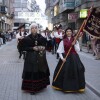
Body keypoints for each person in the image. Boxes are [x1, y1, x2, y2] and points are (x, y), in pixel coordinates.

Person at [19, 23, 50, 94]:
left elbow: (46, 45)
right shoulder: (27, 38)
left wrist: (43, 47)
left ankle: (40, 86)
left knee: (40, 70)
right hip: (30, 57)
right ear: (30, 29)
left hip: (40, 57)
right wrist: (32, 48)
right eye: (32, 28)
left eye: (35, 28)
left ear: (37, 29)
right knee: (32, 71)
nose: (34, 29)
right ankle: (32, 88)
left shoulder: (41, 37)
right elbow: (23, 48)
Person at [52, 27, 85, 93]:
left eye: (70, 31)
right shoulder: (63, 41)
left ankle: (77, 86)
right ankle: (64, 86)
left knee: (78, 70)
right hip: (65, 57)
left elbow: (78, 50)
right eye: (67, 31)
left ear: (72, 32)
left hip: (74, 58)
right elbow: (59, 51)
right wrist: (62, 58)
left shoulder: (75, 40)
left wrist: (75, 44)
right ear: (66, 33)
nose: (69, 32)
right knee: (64, 71)